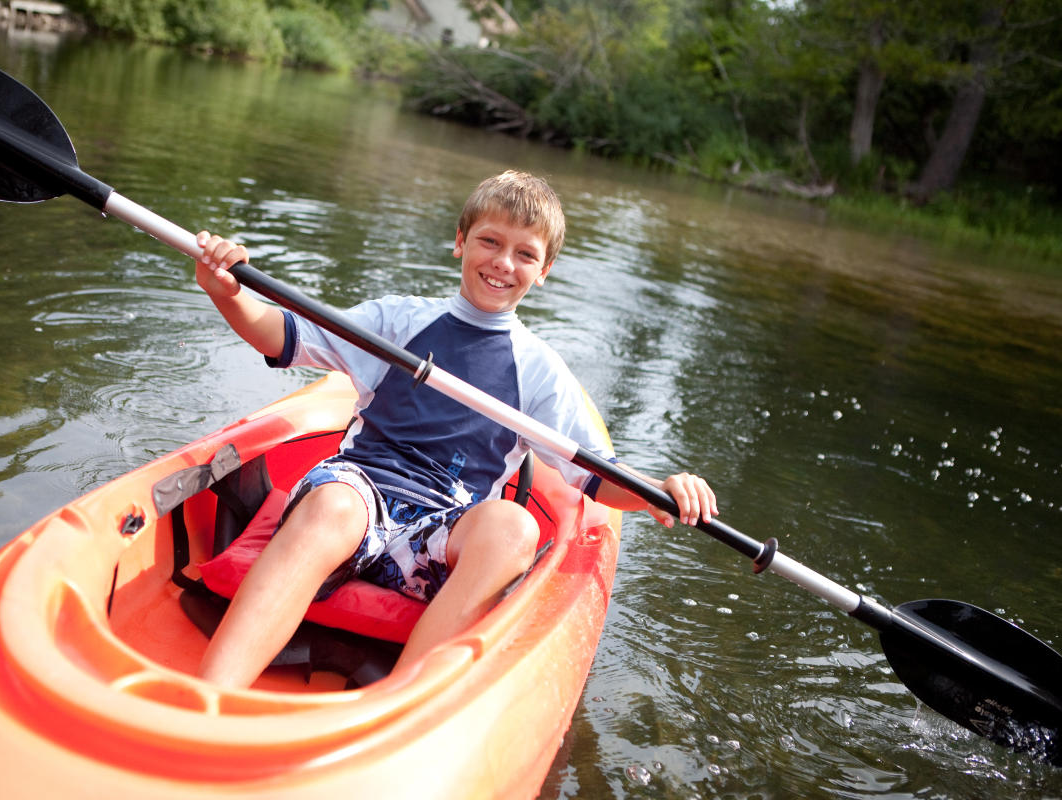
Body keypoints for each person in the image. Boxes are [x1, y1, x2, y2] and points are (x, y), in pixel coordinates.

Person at [193, 170, 718, 688]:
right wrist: (227, 292)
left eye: (525, 254)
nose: (503, 263)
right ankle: (209, 697)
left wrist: (658, 492)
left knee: (515, 527)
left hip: (440, 534)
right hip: (358, 496)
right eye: (489, 241)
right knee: (333, 505)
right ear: (460, 242)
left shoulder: (539, 371)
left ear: (544, 270)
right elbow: (282, 336)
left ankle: (400, 710)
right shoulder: (397, 322)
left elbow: (595, 479)